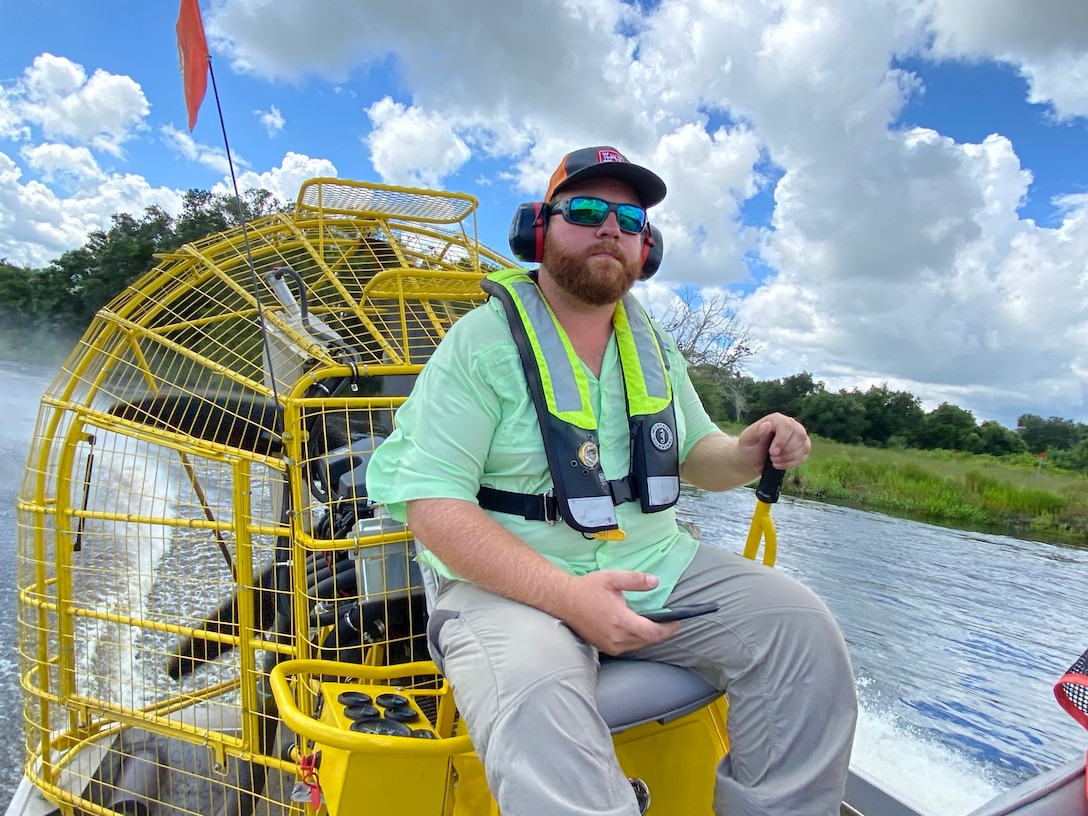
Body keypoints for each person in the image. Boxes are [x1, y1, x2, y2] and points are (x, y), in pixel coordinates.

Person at [365, 146, 857, 815]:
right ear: (539, 229)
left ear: (645, 249)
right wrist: (569, 598)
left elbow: (696, 454)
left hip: (654, 565)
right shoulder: (479, 344)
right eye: (588, 210)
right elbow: (433, 507)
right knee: (535, 689)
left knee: (803, 631)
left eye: (630, 220)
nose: (611, 228)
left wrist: (746, 451)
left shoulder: (652, 347)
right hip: (510, 587)